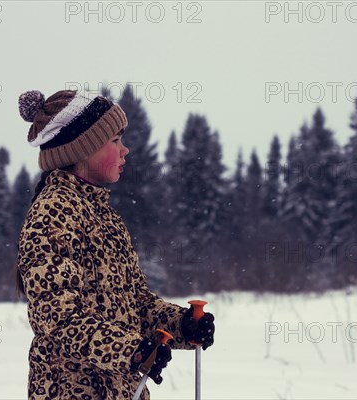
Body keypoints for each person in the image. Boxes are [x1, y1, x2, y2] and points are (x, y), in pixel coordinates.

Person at [15, 89, 215, 400]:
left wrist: (181, 325)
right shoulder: (51, 215)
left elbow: (135, 303)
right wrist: (132, 350)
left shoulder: (102, 214)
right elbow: (57, 318)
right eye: (115, 140)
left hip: (120, 389)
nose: (125, 150)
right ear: (82, 149)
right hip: (72, 391)